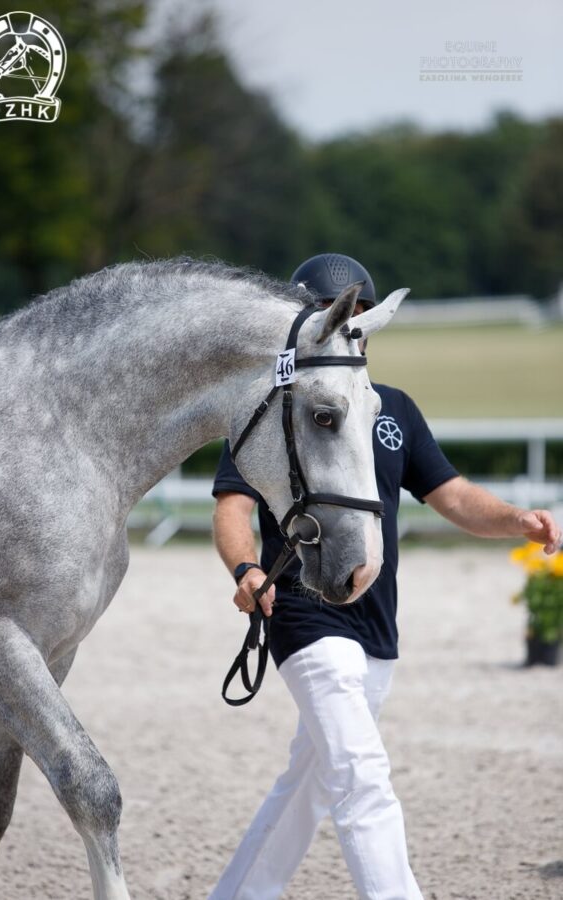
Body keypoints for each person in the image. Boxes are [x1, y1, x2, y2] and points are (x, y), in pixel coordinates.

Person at [209, 253, 561, 900]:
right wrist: (246, 567)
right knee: (362, 774)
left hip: (376, 623)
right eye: (340, 313)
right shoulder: (276, 405)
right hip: (304, 609)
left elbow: (452, 495)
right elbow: (232, 505)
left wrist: (517, 519)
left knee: (309, 786)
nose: (353, 325)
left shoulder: (390, 408)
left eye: (361, 316)